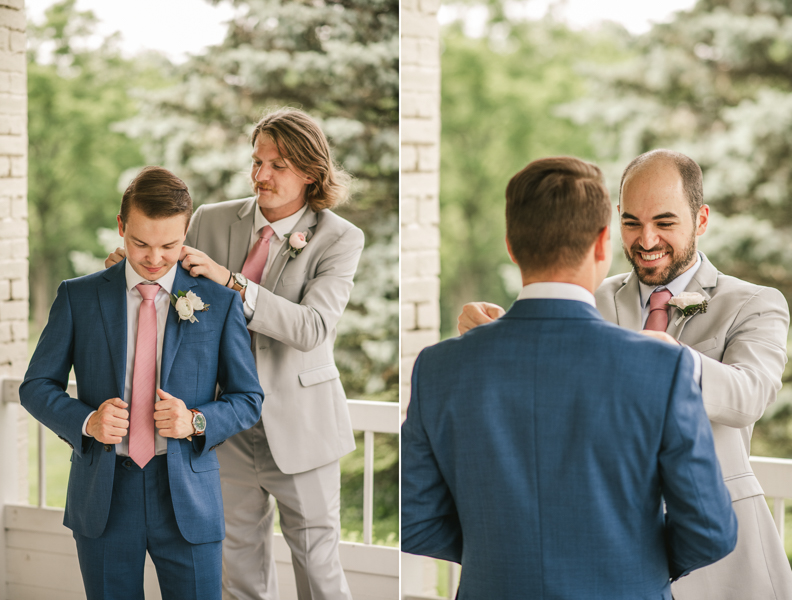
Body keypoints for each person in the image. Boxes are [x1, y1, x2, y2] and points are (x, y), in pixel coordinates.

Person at [459, 149, 792, 600]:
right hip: (610, 553)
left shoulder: (754, 303)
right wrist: (497, 333)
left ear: (701, 220)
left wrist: (669, 357)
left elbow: (748, 396)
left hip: (719, 556)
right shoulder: (591, 296)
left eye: (665, 222)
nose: (647, 239)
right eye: (632, 222)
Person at [403, 156, 737, 599]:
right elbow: (711, 530)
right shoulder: (663, 367)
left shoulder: (438, 367)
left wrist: (505, 555)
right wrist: (634, 562)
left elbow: (415, 519)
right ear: (603, 242)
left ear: (511, 244)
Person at [106, 108, 363, 600]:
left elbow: (312, 329)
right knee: (237, 568)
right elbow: (166, 279)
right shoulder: (211, 219)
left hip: (302, 428)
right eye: (257, 161)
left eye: (278, 165)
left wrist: (232, 281)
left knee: (320, 570)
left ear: (311, 173)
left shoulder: (340, 237)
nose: (260, 175)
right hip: (223, 424)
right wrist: (136, 263)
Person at [20, 166, 264, 600]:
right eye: (140, 243)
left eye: (169, 245)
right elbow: (36, 385)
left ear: (187, 230)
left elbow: (248, 399)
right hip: (104, 499)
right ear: (121, 226)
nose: (154, 258)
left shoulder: (220, 302)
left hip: (189, 499)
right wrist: (87, 421)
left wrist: (196, 421)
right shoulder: (78, 297)